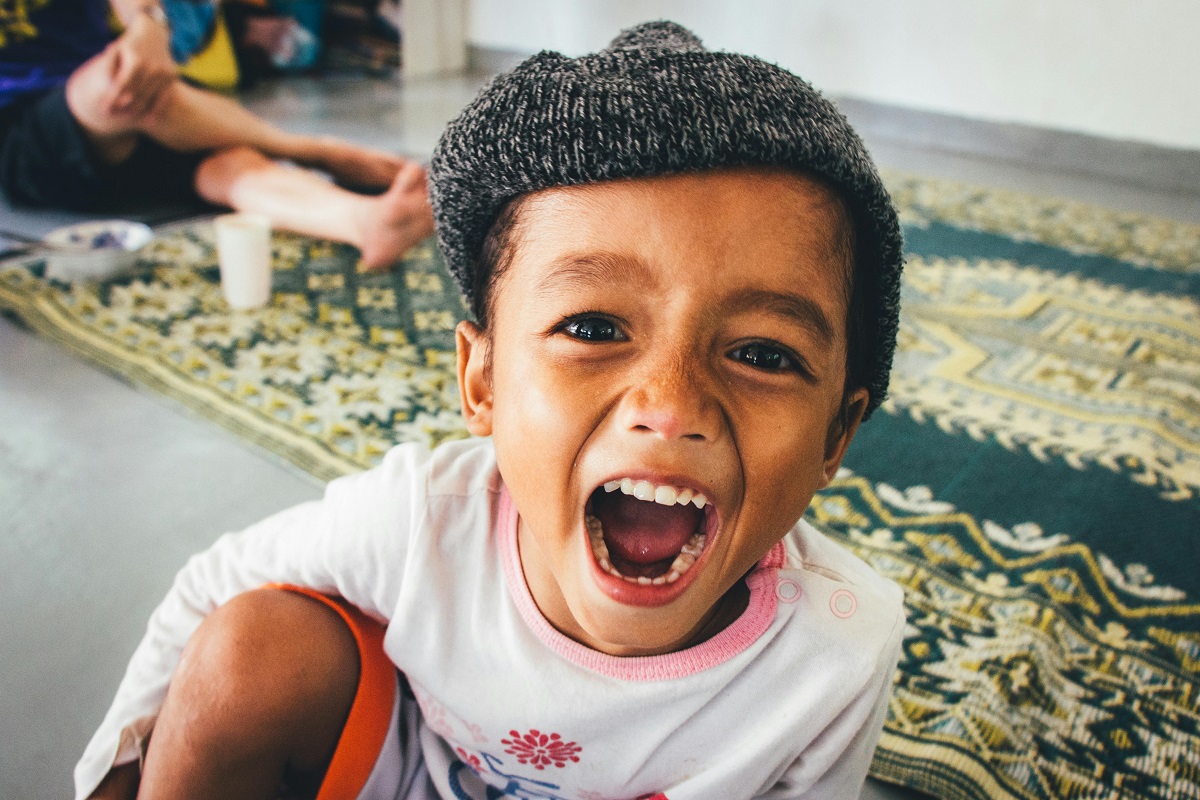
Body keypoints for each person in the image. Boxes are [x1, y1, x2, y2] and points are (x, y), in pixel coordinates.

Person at [77, 20, 907, 800]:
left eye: (763, 354)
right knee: (247, 648)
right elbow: (210, 587)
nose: (669, 406)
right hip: (401, 771)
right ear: (482, 382)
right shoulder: (420, 521)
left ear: (836, 435)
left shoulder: (837, 653)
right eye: (593, 328)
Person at [0, 0, 432, 271]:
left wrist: (149, 25)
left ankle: (365, 221)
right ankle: (316, 151)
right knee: (121, 87)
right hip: (22, 122)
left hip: (136, 95)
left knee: (231, 165)